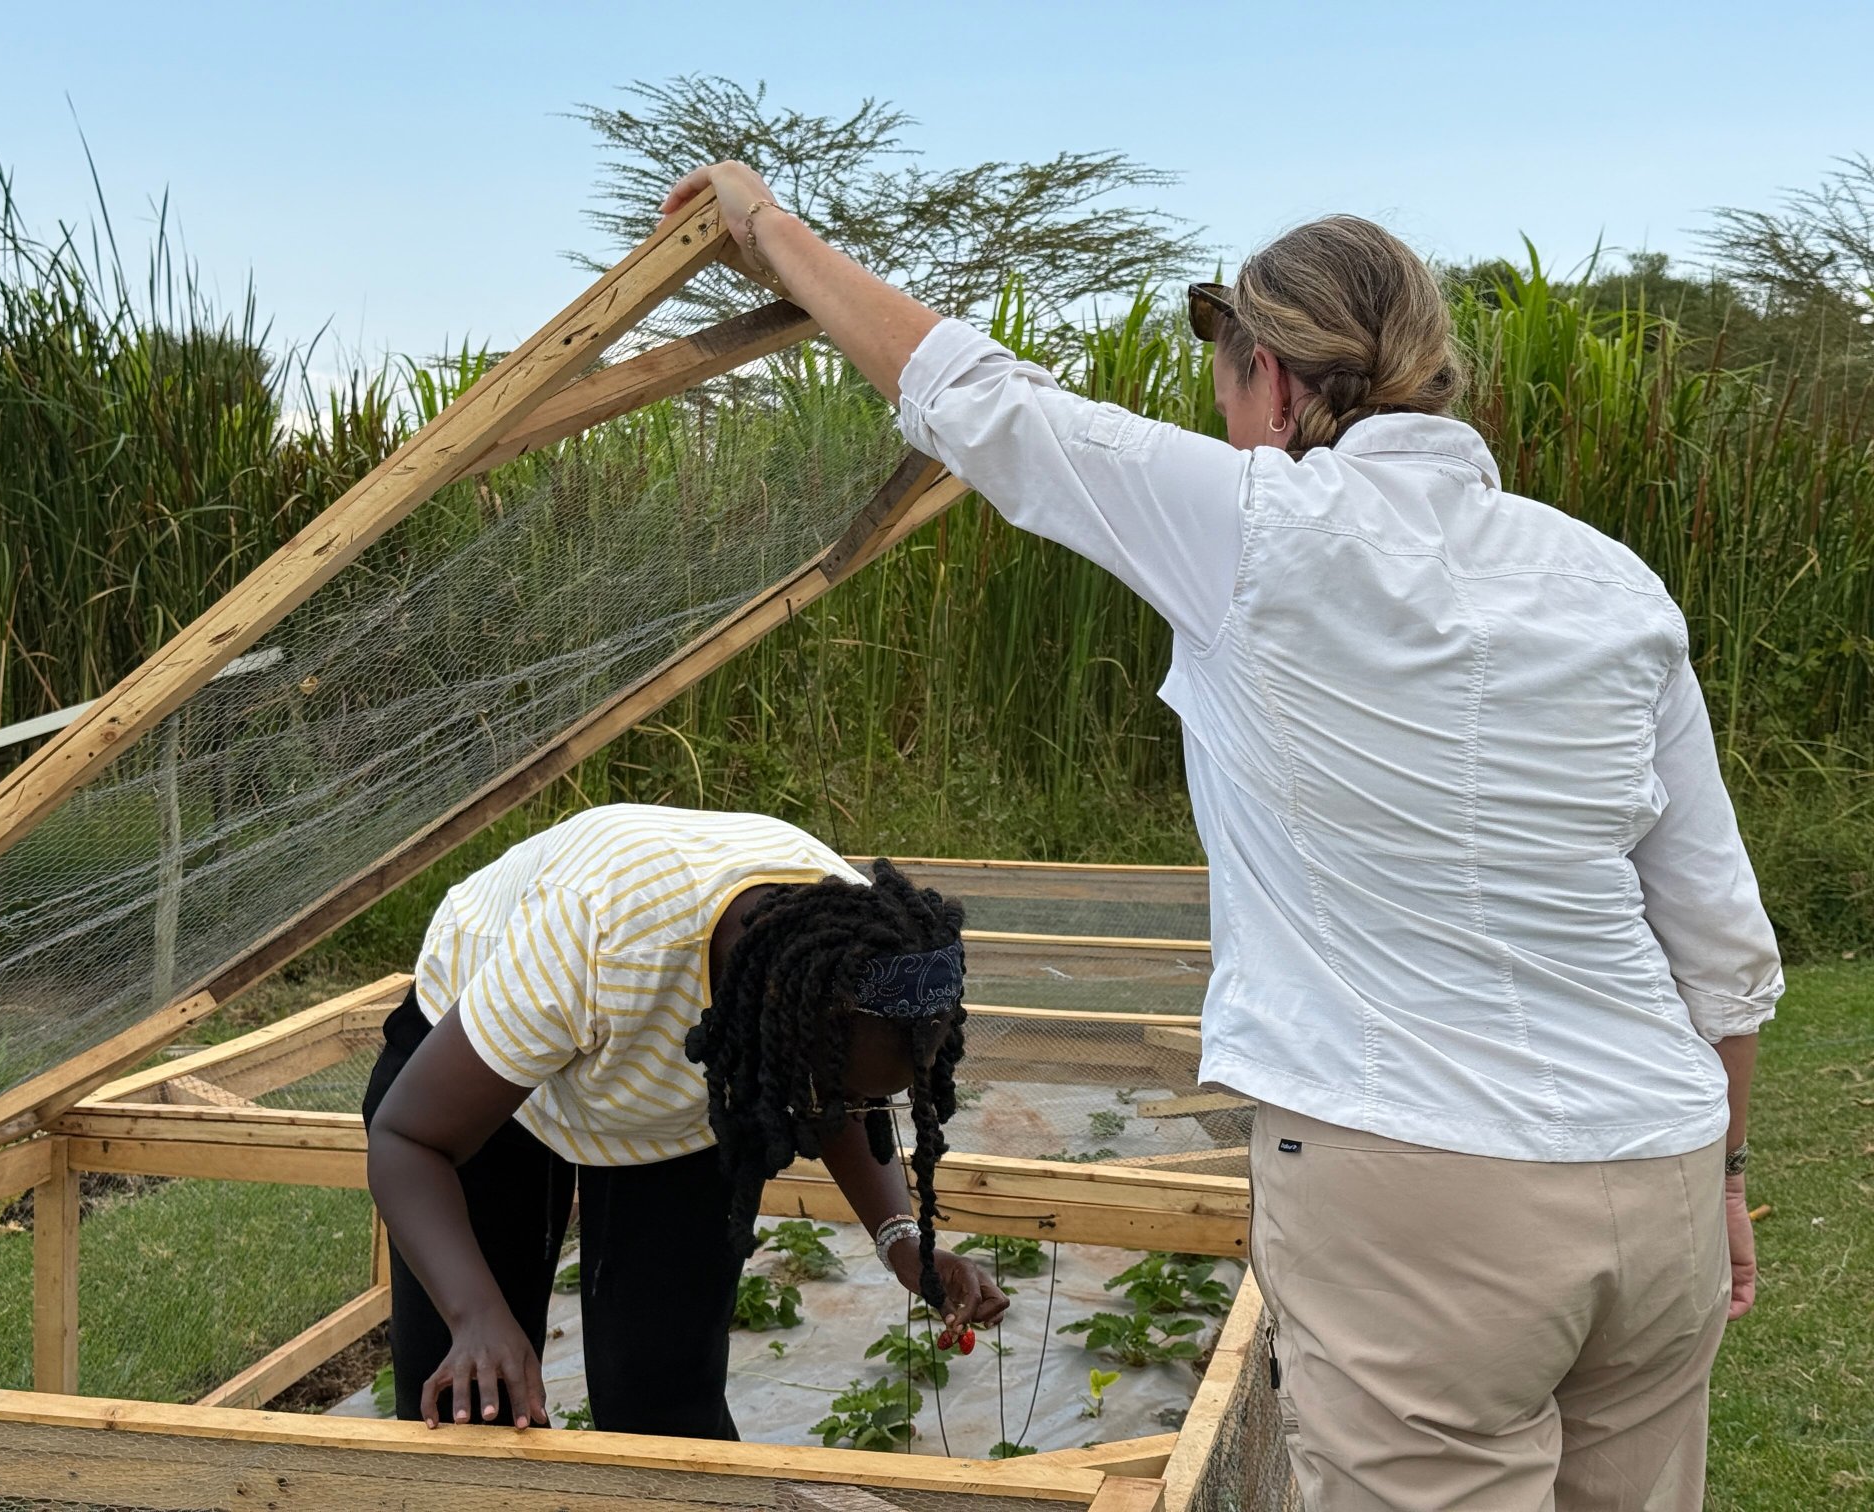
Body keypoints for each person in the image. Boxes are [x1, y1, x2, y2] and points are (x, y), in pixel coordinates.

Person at [657, 165, 1784, 1509]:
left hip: (1418, 1183)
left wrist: (766, 227)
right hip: (1660, 1169)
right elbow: (1719, 938)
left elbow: (979, 399)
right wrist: (1723, 1178)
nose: (1229, 429)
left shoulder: (1258, 524)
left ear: (1276, 380)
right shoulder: (1611, 580)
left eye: (1230, 392)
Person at [363, 803, 1008, 1436]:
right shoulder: (601, 938)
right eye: (830, 1089)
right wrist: (475, 1317)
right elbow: (407, 1140)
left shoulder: (861, 950)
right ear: (784, 1025)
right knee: (474, 1400)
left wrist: (902, 1242)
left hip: (669, 1080)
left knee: (663, 1403)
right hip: (477, 1074)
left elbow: (835, 1088)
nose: (837, 1110)